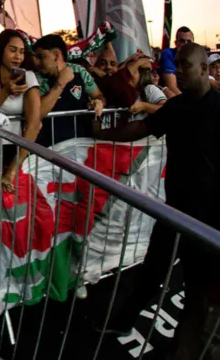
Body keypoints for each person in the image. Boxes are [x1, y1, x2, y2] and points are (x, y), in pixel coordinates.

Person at [92, 43, 219, 359]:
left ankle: (185, 351)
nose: (173, 70)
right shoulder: (176, 108)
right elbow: (143, 127)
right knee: (153, 270)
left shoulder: (218, 108)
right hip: (174, 209)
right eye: (174, 63)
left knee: (199, 291)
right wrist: (102, 133)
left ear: (204, 69)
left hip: (208, 219)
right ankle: (121, 321)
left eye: (184, 64)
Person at [0, 30, 41, 191]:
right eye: (12, 50)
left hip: (16, 148)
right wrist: (5, 92)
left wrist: (12, 170)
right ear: (1, 49)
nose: (18, 56)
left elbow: (34, 124)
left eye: (22, 52)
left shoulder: (28, 76)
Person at [32, 34, 105, 147]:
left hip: (82, 145)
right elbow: (37, 113)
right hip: (49, 150)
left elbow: (99, 95)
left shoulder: (79, 71)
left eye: (41, 57)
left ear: (56, 55)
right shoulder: (35, 78)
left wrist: (98, 102)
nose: (36, 62)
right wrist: (60, 84)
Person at [159, 25, 194, 96]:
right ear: (176, 43)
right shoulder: (168, 54)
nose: (185, 44)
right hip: (176, 97)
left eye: (189, 41)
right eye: (182, 41)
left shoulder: (196, 56)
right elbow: (172, 87)